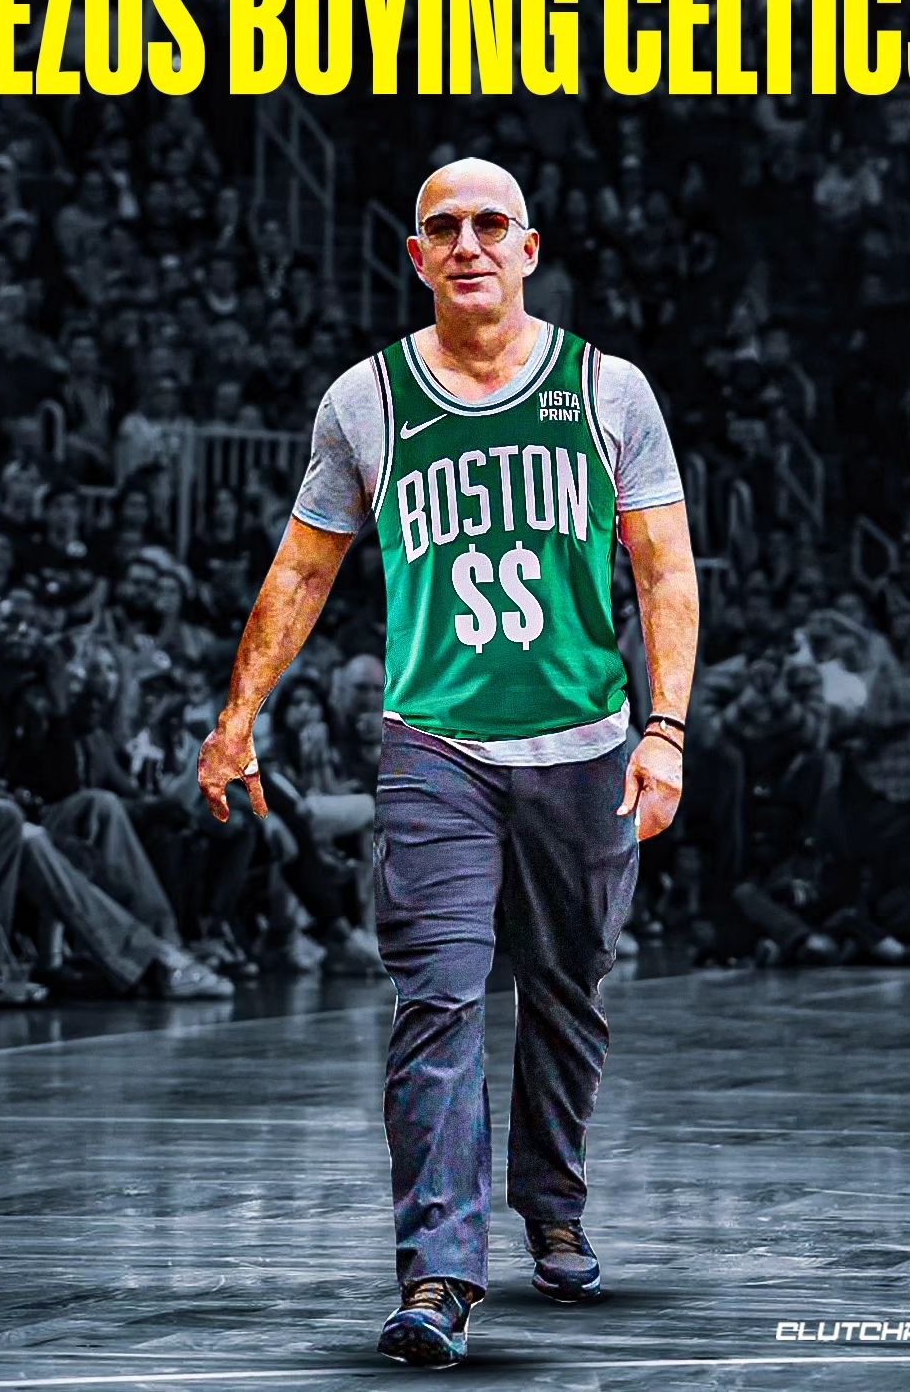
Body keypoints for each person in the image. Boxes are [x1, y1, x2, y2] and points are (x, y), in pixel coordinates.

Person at [199, 158, 698, 1367]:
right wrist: (237, 716)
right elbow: (303, 568)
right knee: (437, 1000)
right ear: (416, 256)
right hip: (436, 748)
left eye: (490, 223)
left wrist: (666, 729)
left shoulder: (609, 389)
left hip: (585, 746)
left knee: (569, 994)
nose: (468, 242)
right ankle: (438, 1273)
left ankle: (554, 1202)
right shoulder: (366, 400)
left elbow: (663, 569)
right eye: (443, 227)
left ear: (529, 249)